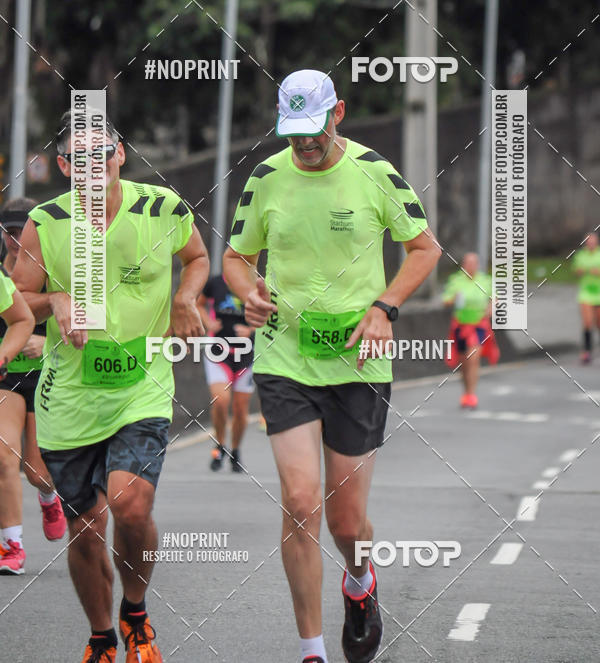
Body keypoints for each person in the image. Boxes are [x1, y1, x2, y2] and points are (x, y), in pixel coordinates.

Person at [222, 70, 440, 663]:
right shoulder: (266, 177)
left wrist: (384, 308)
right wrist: (247, 292)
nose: (304, 142)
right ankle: (312, 650)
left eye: (314, 128)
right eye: (293, 131)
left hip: (358, 363)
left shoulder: (375, 172)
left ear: (337, 113)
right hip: (285, 355)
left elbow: (424, 249)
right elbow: (236, 257)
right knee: (300, 502)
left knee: (347, 524)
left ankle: (360, 580)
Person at [13, 110, 209, 663]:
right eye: (79, 158)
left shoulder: (162, 208)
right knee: (85, 526)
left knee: (130, 504)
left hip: (141, 383)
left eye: (101, 153)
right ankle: (101, 636)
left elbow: (196, 257)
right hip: (70, 393)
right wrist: (54, 300)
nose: (92, 165)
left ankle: (136, 613)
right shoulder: (45, 222)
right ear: (63, 166)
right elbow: (17, 299)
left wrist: (185, 296)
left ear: (120, 154)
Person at [0, 198, 66, 575]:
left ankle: (48, 496)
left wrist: (48, 342)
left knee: (36, 471)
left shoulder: (55, 271)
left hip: (46, 376)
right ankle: (12, 546)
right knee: (3, 457)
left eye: (20, 233)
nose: (14, 241)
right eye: (8, 232)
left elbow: (88, 325)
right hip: (6, 377)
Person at [197, 273, 254, 473]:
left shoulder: (254, 283)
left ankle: (236, 450)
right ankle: (220, 446)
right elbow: (199, 304)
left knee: (240, 408)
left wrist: (251, 329)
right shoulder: (215, 283)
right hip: (218, 352)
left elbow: (270, 313)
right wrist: (208, 322)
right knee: (220, 401)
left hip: (246, 354)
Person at [442, 252, 498, 409]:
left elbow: (494, 298)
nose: (470, 266)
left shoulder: (485, 280)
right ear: (463, 265)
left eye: (473, 263)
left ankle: (472, 394)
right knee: (464, 362)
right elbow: (445, 300)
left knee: (473, 358)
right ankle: (466, 392)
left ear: (477, 265)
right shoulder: (456, 280)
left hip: (478, 324)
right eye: (467, 263)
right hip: (460, 325)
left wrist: (491, 308)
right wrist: (453, 299)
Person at [572, 232, 600, 364]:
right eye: (588, 242)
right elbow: (576, 271)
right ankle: (587, 351)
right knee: (587, 323)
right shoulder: (580, 255)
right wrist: (580, 271)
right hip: (586, 293)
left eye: (593, 241)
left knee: (599, 323)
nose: (591, 244)